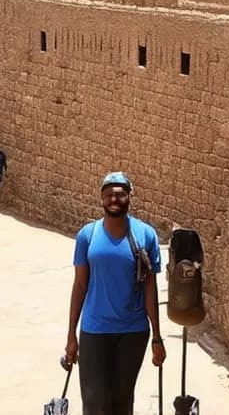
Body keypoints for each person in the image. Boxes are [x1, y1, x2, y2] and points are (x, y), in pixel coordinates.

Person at [63, 172, 166, 415]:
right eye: (109, 195)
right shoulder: (87, 236)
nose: (114, 199)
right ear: (101, 198)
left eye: (120, 195)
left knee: (122, 402)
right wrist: (71, 336)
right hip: (95, 330)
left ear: (130, 197)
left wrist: (157, 337)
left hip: (133, 331)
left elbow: (150, 287)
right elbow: (79, 286)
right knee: (95, 401)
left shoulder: (146, 235)